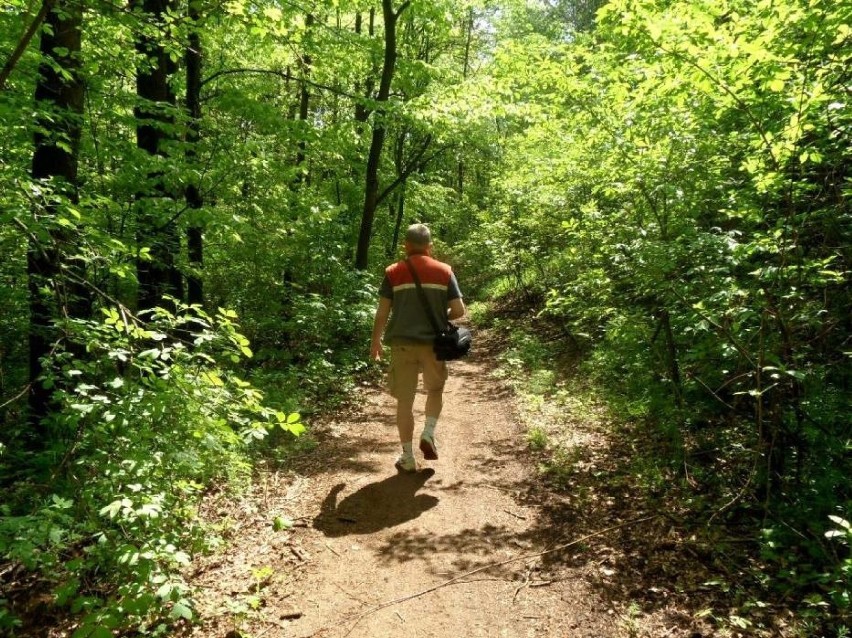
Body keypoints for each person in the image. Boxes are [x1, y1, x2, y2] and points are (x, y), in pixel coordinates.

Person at [370, 224, 466, 472]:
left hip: (401, 345)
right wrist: (439, 314)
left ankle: (407, 457)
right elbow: (459, 311)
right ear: (430, 246)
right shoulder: (444, 271)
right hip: (433, 344)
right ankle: (429, 432)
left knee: (405, 400)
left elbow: (381, 313)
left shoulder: (393, 273)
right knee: (434, 391)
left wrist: (375, 342)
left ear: (406, 245)